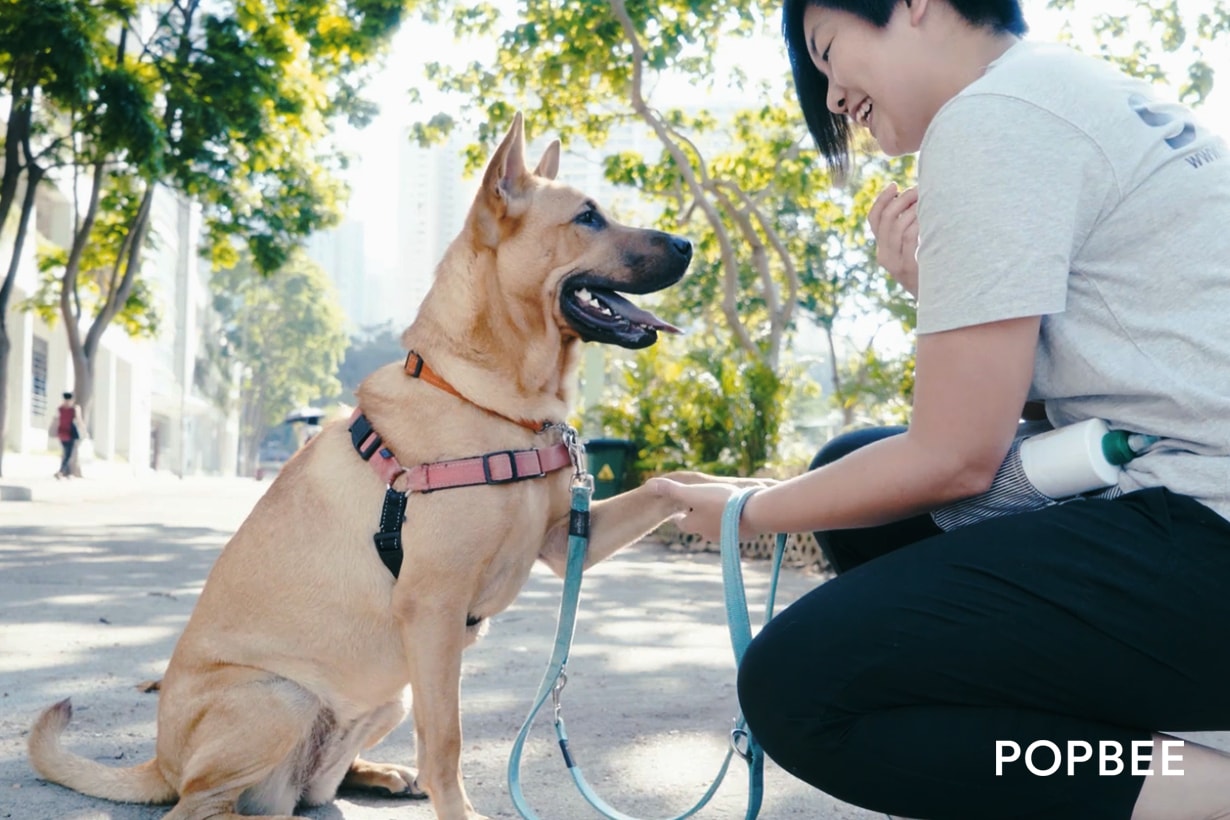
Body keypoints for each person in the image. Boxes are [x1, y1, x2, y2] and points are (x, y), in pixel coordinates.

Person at [648, 0, 1230, 817]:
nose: (833, 96)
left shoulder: (995, 116)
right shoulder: (1067, 89)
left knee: (802, 691)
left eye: (827, 51)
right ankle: (1084, 774)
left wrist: (748, 510)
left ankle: (1203, 795)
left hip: (1208, 533)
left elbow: (954, 458)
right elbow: (1075, 392)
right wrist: (935, 286)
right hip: (1187, 505)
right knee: (855, 486)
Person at [53, 392, 82, 479]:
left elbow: (56, 420)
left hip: (62, 432)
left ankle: (66, 472)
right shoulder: (74, 409)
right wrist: (83, 430)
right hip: (70, 432)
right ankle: (61, 471)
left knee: (66, 452)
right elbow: (79, 420)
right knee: (68, 454)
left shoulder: (60, 408)